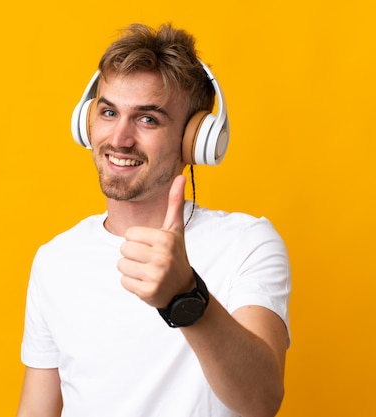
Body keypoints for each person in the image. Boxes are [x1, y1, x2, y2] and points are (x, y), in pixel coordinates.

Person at [16, 23, 291, 417]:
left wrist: (187, 297)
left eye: (148, 119)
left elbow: (262, 401)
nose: (120, 138)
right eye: (109, 112)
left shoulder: (247, 243)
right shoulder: (55, 259)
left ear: (195, 139)